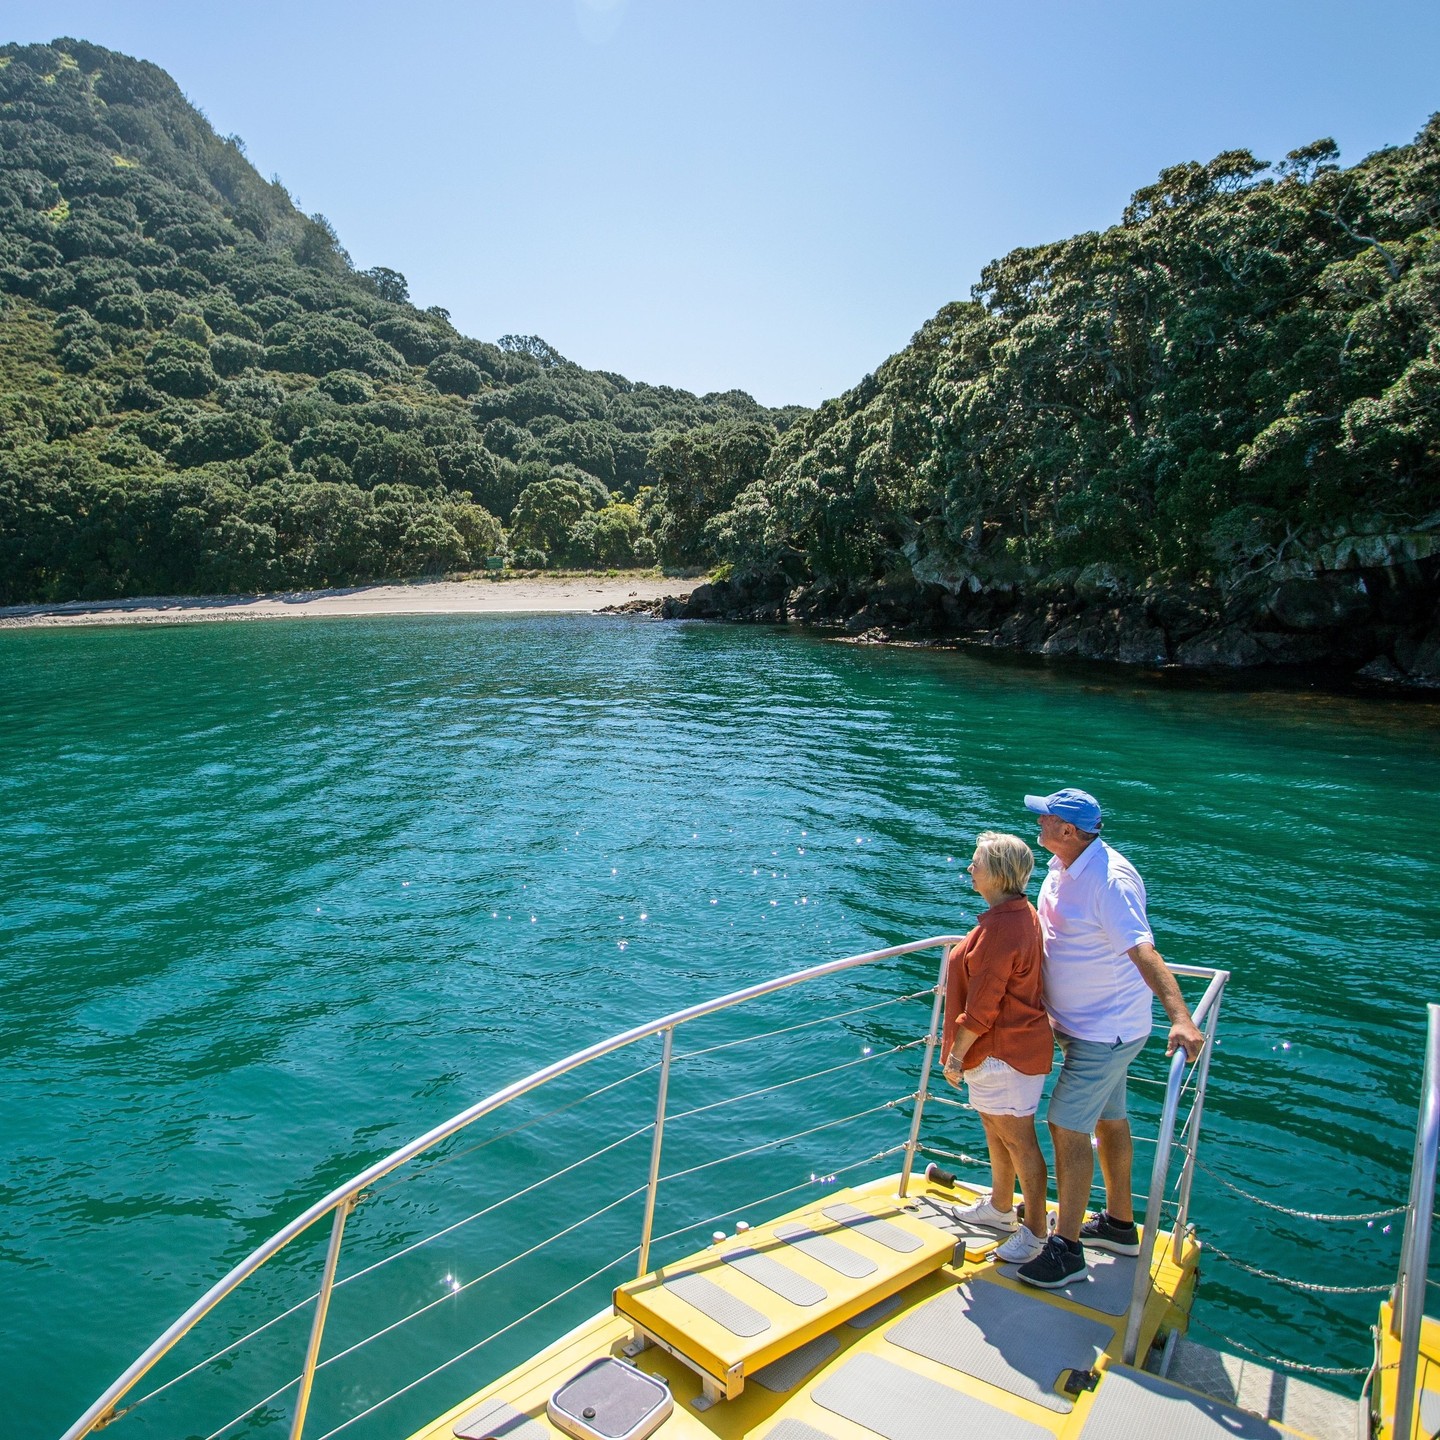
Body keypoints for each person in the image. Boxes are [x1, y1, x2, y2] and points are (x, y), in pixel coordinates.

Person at [1014, 787, 1205, 1289]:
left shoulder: (1109, 879)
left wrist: (1180, 1017)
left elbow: (1143, 950)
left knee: (1064, 1124)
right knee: (1110, 1118)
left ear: (1069, 831)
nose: (1038, 824)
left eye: (1046, 819)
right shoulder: (1063, 866)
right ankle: (1121, 1225)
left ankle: (1067, 1248)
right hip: (1080, 1026)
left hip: (1105, 1031)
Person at [940, 830, 1054, 1264]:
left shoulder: (1002, 929)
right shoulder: (1016, 915)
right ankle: (1001, 1208)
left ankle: (1036, 1232)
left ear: (1000, 874)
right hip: (1008, 1051)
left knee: (1019, 1139)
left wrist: (953, 1058)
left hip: (1001, 1053)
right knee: (997, 1131)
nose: (970, 868)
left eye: (977, 863)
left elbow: (982, 1008)